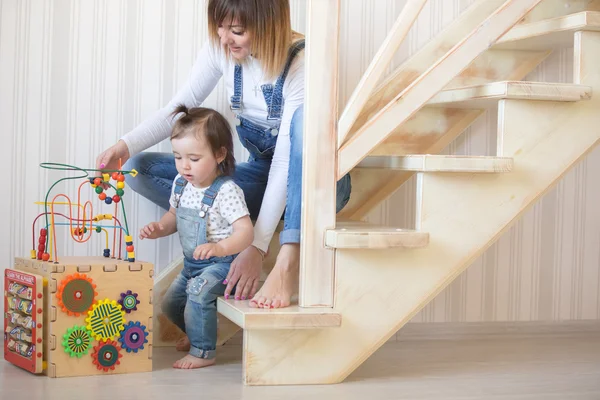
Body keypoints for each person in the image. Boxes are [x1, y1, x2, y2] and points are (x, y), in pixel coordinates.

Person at [96, 0, 351, 310]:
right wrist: (123, 148)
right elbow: (178, 107)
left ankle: (288, 259)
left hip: (317, 183)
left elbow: (285, 162)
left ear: (269, 25)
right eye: (219, 27)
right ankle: (240, 220)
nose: (224, 38)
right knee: (138, 168)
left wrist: (256, 247)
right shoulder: (222, 49)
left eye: (237, 31)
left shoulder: (302, 62)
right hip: (262, 175)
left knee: (304, 120)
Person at [139, 105, 254, 369]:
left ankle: (203, 351)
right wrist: (159, 227)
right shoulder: (181, 185)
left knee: (198, 294)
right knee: (170, 304)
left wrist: (219, 247)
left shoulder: (226, 191)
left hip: (223, 265)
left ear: (219, 154)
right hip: (192, 264)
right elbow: (172, 217)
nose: (184, 166)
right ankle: (198, 332)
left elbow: (246, 232)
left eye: (193, 158)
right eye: (178, 157)